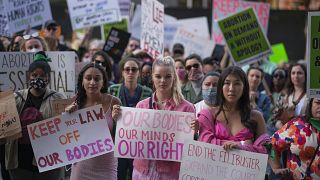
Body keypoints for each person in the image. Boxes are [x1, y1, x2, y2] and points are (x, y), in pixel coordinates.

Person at [112, 56, 198, 179]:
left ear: (174, 77)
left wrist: (194, 133)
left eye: (168, 76)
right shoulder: (142, 106)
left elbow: (190, 146)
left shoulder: (187, 108)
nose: (163, 80)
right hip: (142, 172)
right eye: (158, 76)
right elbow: (133, 138)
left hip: (170, 174)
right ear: (152, 77)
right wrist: (120, 121)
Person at [5, 51, 66, 180]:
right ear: (28, 76)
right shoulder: (16, 98)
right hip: (20, 162)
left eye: (43, 76)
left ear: (48, 78)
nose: (38, 78)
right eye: (34, 75)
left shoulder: (58, 98)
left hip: (48, 164)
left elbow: (65, 127)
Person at [65, 63, 121, 180]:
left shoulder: (114, 102)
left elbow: (121, 139)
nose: (92, 82)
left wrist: (117, 121)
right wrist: (67, 116)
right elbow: (67, 139)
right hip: (81, 167)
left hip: (107, 167)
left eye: (97, 79)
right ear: (82, 81)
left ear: (103, 82)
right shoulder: (74, 103)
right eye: (88, 78)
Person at [198, 66, 269, 153]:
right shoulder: (207, 114)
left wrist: (242, 147)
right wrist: (243, 144)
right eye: (227, 83)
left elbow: (267, 150)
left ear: (244, 87)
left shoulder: (256, 116)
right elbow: (205, 143)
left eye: (237, 84)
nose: (231, 89)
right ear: (221, 86)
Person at [108, 57, 152, 180]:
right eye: (127, 69)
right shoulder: (113, 90)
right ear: (122, 72)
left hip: (139, 144)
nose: (131, 72)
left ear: (139, 72)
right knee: (118, 175)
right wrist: (113, 117)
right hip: (118, 142)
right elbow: (105, 115)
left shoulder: (148, 92)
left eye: (134, 69)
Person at [270, 98, 320, 179]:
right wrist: (276, 168)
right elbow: (270, 145)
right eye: (318, 102)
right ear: (310, 104)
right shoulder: (297, 125)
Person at [272, 63, 307, 129]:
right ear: (290, 76)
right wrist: (281, 127)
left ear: (305, 75)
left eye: (299, 73)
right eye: (293, 73)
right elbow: (274, 117)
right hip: (285, 135)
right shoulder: (284, 95)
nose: (296, 76)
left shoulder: (311, 97)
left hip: (305, 134)